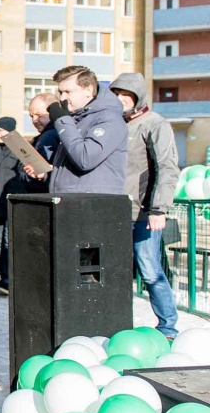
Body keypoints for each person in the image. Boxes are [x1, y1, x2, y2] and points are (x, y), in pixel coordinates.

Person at [111, 73, 181, 338]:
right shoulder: (115, 125)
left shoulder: (155, 124)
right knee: (114, 273)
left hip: (144, 212)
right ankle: (116, 325)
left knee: (150, 270)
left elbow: (167, 167)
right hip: (115, 211)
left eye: (126, 95)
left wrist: (159, 208)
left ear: (138, 97)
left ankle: (168, 327)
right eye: (116, 94)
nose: (121, 100)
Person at [25, 66, 128, 195]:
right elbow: (73, 170)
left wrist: (62, 121)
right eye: (60, 92)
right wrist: (46, 174)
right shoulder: (76, 119)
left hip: (94, 204)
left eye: (68, 91)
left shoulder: (109, 119)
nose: (62, 98)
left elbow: (85, 159)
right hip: (72, 202)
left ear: (88, 90)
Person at [0, 117, 26, 295]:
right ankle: (4, 276)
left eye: (1, 130)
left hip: (12, 200)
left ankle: (11, 278)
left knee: (9, 242)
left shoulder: (20, 150)